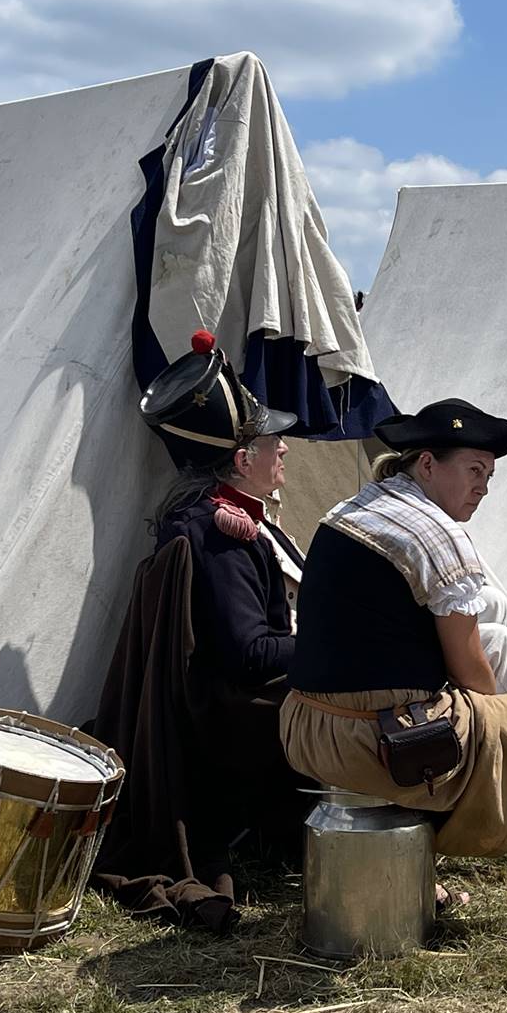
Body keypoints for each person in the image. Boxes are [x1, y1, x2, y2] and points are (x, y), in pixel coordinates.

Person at [280, 398, 507, 944]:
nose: (483, 487)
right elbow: (473, 677)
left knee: (495, 644)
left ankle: (437, 873)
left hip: (307, 727)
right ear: (427, 464)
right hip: (373, 741)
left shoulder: (354, 509)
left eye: (489, 475)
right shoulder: (437, 534)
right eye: (475, 471)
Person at [93, 328, 309, 928]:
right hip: (235, 714)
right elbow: (249, 654)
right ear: (243, 460)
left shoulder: (225, 517)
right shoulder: (220, 533)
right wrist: (328, 645)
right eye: (274, 443)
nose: (285, 450)